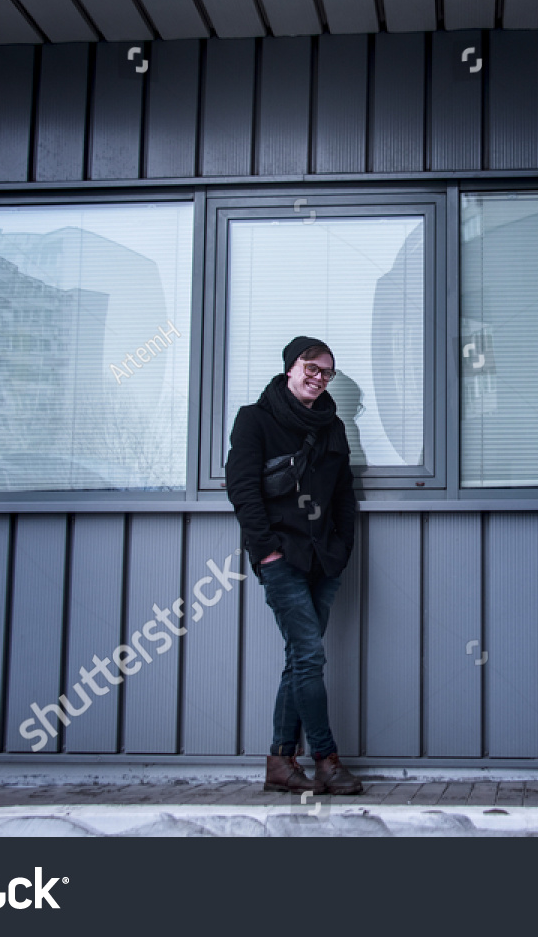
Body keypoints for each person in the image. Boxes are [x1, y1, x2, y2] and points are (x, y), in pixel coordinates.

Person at [225, 335, 363, 796]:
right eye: (311, 367)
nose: (319, 377)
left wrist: (341, 549)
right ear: (290, 367)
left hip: (325, 559)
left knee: (297, 660)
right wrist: (266, 550)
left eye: (327, 372)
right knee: (309, 655)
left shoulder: (334, 428)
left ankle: (280, 762)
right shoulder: (255, 420)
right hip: (281, 557)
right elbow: (242, 489)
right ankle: (325, 759)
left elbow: (344, 494)